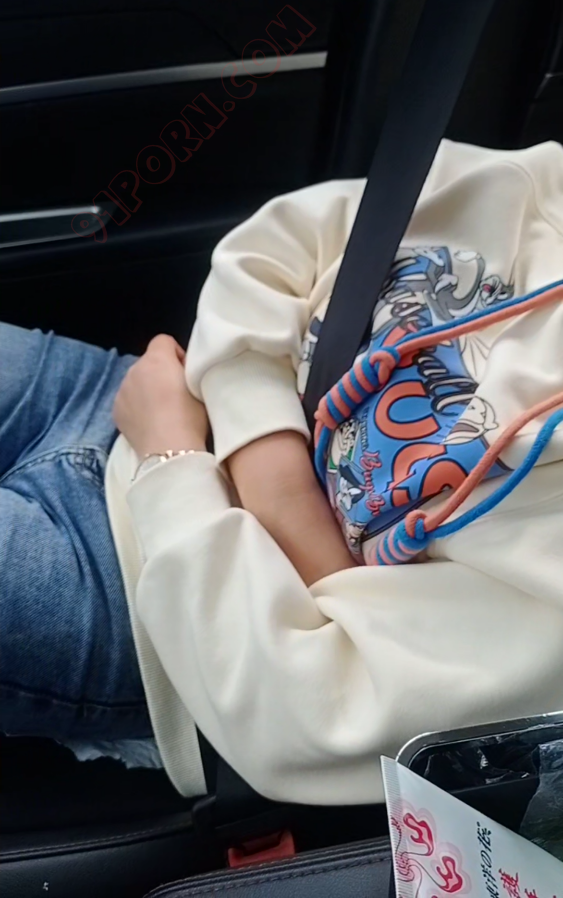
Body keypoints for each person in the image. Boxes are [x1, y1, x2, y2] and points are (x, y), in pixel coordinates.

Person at [2, 138, 563, 805]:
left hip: (151, 599)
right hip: (144, 398)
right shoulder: (542, 188)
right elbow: (274, 246)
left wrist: (174, 458)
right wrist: (276, 486)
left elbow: (313, 711)